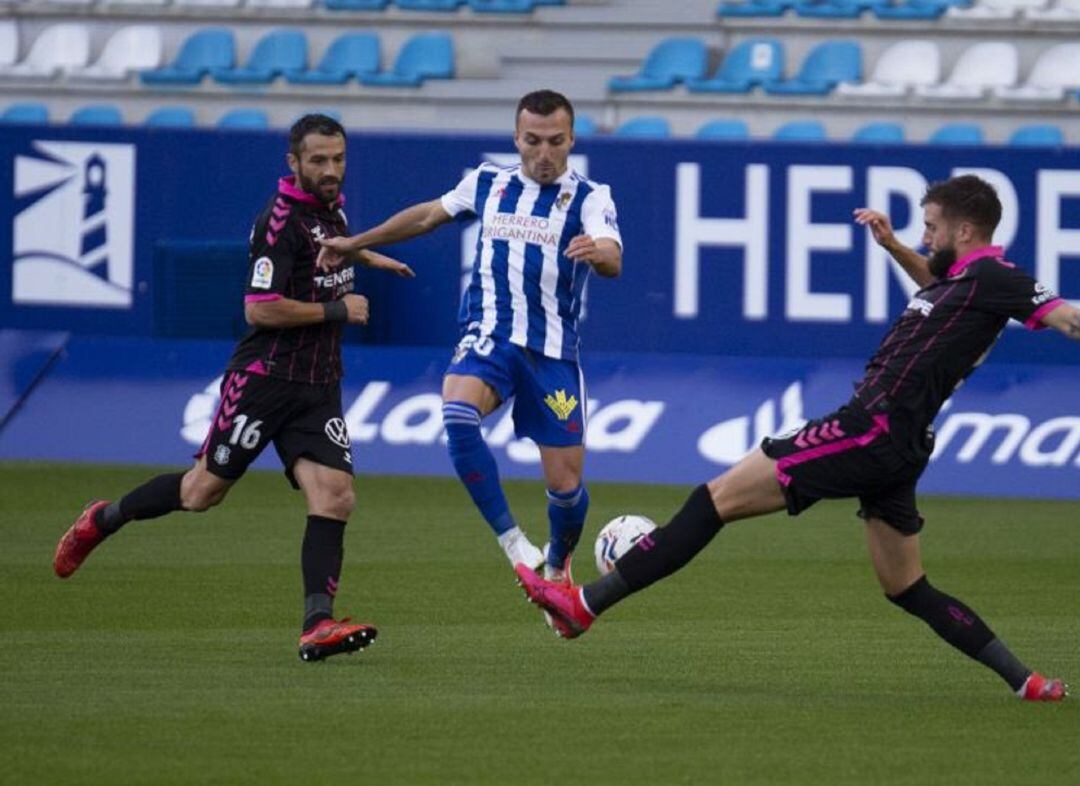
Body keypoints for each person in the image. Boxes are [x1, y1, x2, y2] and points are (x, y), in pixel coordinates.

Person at [516, 174, 1077, 701]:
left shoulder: (1000, 279)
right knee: (908, 588)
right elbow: (938, 285)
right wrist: (891, 247)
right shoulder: (965, 284)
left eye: (930, 228)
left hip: (869, 429)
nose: (923, 237)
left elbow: (1068, 319)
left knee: (713, 501)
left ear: (964, 231)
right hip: (900, 448)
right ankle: (1026, 682)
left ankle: (584, 604)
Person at [53, 114, 414, 663]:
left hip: (318, 385)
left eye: (338, 159)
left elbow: (326, 244)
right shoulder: (278, 221)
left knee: (335, 496)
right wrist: (340, 307)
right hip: (265, 380)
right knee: (202, 493)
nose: (330, 169)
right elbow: (260, 308)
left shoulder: (328, 211)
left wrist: (364, 253)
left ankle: (317, 624)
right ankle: (103, 518)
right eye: (318, 160)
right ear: (293, 163)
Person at [317, 90, 623, 583]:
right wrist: (357, 242)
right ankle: (514, 543)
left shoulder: (591, 196)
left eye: (555, 142)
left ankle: (559, 563)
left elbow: (612, 256)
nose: (544, 154)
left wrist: (599, 252)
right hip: (489, 335)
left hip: (552, 353)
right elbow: (425, 216)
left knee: (565, 487)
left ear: (571, 140)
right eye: (532, 141)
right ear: (515, 138)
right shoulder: (487, 183)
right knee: (458, 413)